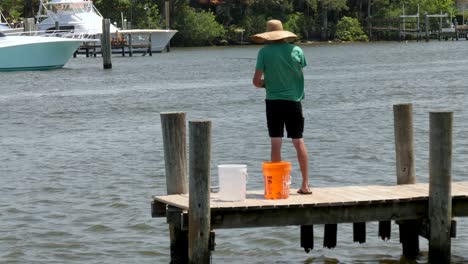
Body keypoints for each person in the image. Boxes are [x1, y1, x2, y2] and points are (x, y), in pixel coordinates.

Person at [251, 19, 311, 194]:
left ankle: (276, 186)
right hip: (294, 101)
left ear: (268, 36)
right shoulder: (297, 50)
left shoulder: (263, 52)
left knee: (276, 142)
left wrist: (266, 84)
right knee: (298, 140)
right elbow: (300, 68)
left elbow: (256, 82)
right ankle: (306, 185)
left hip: (273, 102)